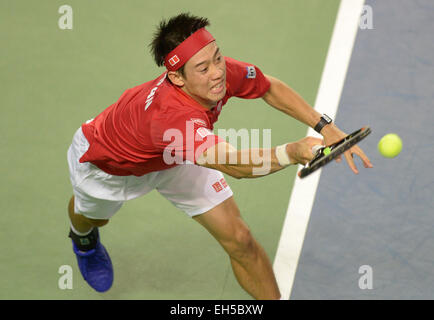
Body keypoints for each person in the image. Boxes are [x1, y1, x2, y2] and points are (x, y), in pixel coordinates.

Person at [66, 12, 372, 300]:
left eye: (217, 58)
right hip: (108, 166)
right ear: (177, 78)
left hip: (177, 158)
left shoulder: (216, 74)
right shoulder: (172, 117)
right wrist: (290, 152)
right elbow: (232, 164)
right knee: (93, 219)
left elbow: (268, 86)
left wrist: (325, 126)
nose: (218, 73)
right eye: (203, 68)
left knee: (240, 239)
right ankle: (83, 240)